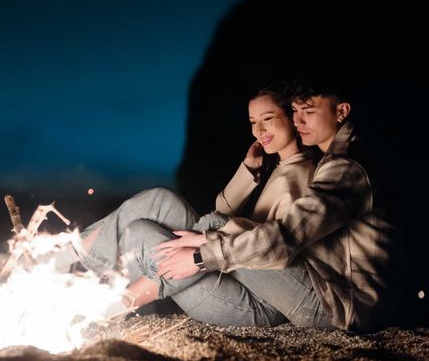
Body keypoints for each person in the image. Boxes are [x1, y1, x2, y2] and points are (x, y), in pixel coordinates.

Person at [155, 79, 401, 331]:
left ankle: (128, 294)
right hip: (331, 293)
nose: (298, 121)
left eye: (310, 111)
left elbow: (285, 237)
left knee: (191, 229)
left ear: (341, 112)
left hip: (342, 307)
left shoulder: (346, 169)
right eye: (295, 111)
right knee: (170, 216)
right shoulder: (334, 161)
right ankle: (129, 291)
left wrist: (201, 255)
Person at [57, 86, 318, 320]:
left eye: (268, 119)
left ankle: (101, 302)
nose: (259, 131)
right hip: (235, 270)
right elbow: (223, 210)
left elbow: (273, 251)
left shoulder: (302, 177)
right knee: (147, 222)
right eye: (253, 122)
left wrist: (202, 246)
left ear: (293, 119)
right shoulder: (280, 167)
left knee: (159, 219)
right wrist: (249, 169)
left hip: (260, 303)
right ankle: (72, 261)